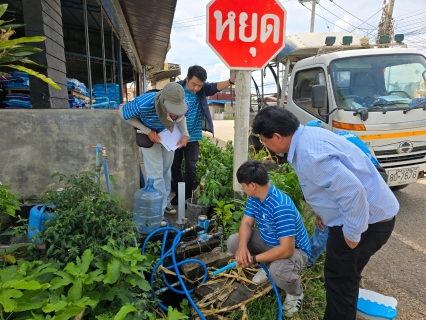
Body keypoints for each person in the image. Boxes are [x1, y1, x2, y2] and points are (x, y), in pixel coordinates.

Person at [252, 106, 399, 320]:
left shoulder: (308, 154)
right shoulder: (309, 136)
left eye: (265, 141)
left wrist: (351, 234)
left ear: (277, 136)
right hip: (366, 215)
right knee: (342, 278)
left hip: (366, 221)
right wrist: (324, 210)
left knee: (340, 281)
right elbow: (333, 183)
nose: (265, 146)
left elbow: (352, 192)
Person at [226, 160, 311, 317]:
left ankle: (296, 293)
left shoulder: (280, 205)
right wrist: (242, 247)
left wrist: (254, 259)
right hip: (270, 241)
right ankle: (268, 266)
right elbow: (246, 222)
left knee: (278, 272)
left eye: (243, 185)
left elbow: (287, 249)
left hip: (295, 250)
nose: (242, 189)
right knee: (234, 242)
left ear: (252, 185)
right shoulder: (256, 196)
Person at [304, 119, 388, 266]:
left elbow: (337, 185)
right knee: (360, 220)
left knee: (328, 223)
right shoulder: (343, 134)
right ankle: (350, 253)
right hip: (377, 175)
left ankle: (309, 260)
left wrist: (323, 214)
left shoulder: (320, 147)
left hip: (359, 182)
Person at [119, 82, 190, 215]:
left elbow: (181, 117)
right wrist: (147, 131)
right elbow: (123, 113)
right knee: (155, 175)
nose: (174, 114)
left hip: (168, 136)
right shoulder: (144, 103)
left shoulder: (184, 103)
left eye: (177, 109)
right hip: (150, 137)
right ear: (163, 101)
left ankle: (164, 201)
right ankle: (158, 211)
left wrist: (185, 134)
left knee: (166, 171)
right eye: (171, 110)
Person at [170, 66, 236, 205]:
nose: (196, 88)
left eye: (200, 86)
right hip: (175, 135)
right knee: (174, 166)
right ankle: (178, 193)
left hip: (193, 136)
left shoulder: (202, 90)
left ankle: (186, 196)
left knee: (190, 168)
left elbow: (215, 87)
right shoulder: (176, 89)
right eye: (194, 84)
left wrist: (231, 81)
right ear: (187, 79)